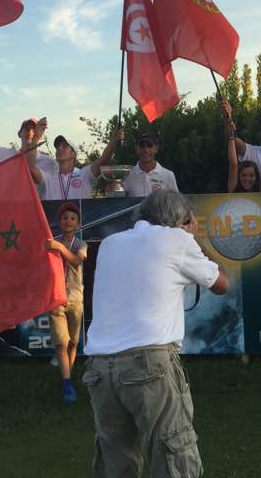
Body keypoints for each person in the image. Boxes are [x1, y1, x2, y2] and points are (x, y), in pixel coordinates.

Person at [82, 190, 229, 477]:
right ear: (180, 220)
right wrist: (192, 236)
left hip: (99, 368)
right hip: (149, 364)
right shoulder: (178, 239)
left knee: (115, 462)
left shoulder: (111, 243)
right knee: (173, 457)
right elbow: (221, 283)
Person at [45, 202, 89, 403]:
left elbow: (77, 261)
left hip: (75, 298)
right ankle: (67, 384)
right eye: (64, 218)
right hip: (55, 298)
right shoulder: (52, 242)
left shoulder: (80, 244)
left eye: (72, 218)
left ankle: (67, 376)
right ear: (59, 222)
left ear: (78, 224)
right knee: (61, 342)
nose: (68, 221)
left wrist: (59, 248)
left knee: (73, 342)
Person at [40, 128, 124, 201]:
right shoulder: (48, 177)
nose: (59, 148)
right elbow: (31, 167)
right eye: (57, 147)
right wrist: (35, 136)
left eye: (64, 146)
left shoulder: (84, 174)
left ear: (74, 154)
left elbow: (103, 160)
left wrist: (114, 140)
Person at [223, 112, 261, 192]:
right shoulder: (233, 188)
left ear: (256, 177)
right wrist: (231, 135)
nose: (247, 179)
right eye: (243, 175)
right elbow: (233, 163)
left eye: (251, 175)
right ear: (238, 176)